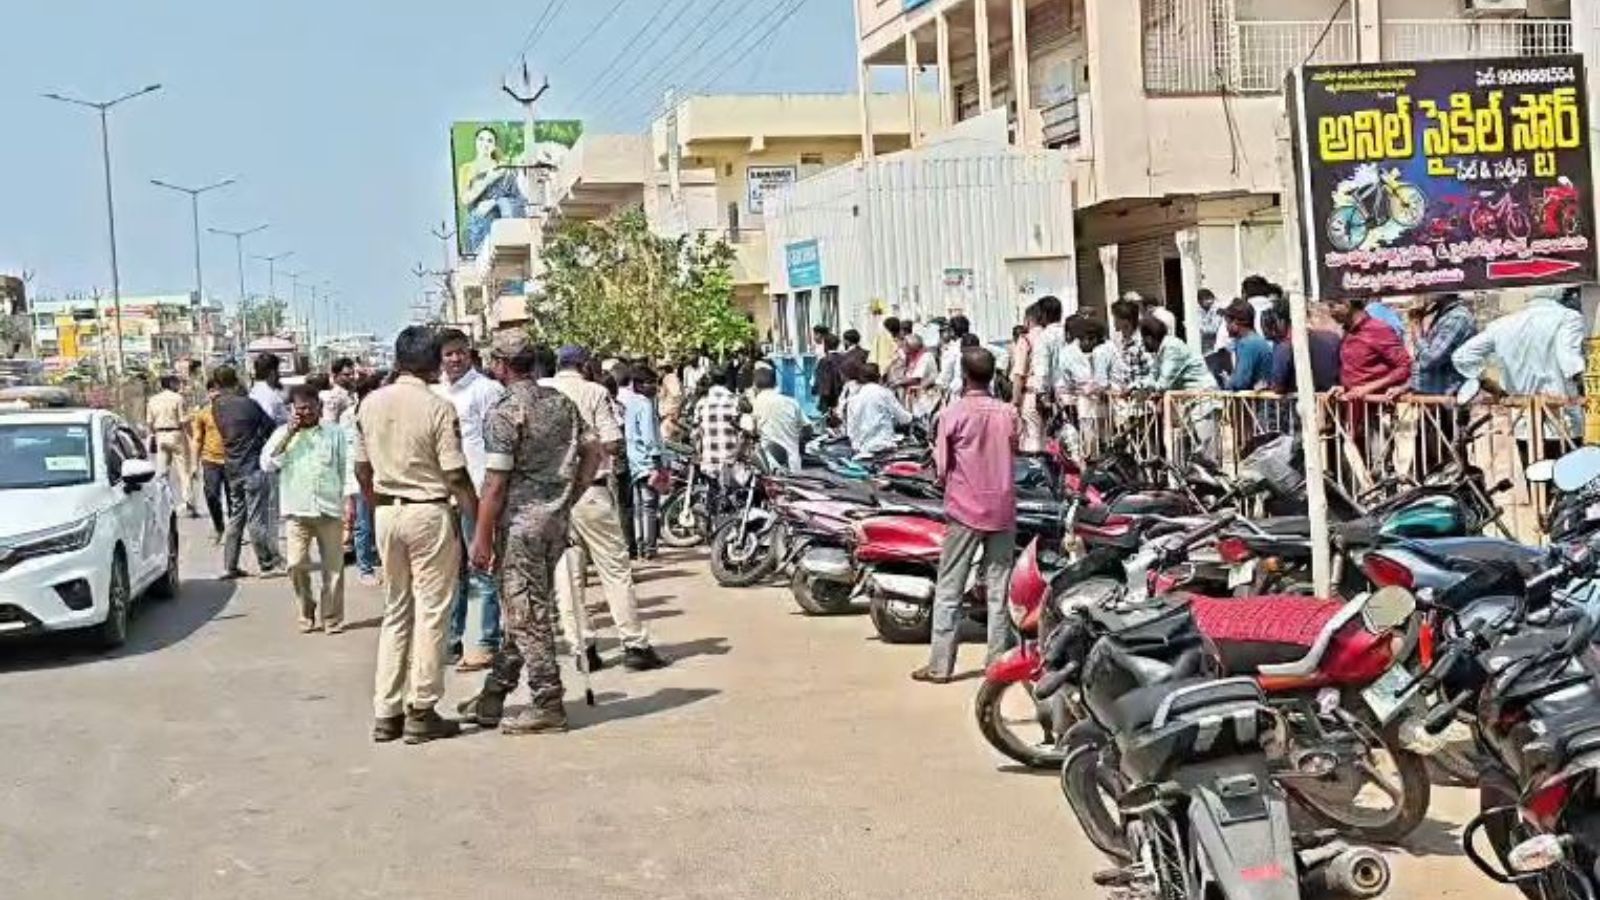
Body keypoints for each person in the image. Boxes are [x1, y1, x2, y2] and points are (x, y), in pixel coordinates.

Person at [460, 332, 602, 735]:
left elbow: (495, 483)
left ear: (500, 365)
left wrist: (481, 536)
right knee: (525, 608)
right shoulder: (560, 402)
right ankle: (494, 693)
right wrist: (570, 494)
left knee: (526, 615)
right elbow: (594, 451)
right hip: (554, 521)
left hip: (520, 526)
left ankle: (547, 701)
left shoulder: (505, 412)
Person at [354, 326, 480, 745]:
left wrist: (377, 507)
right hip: (428, 510)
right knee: (432, 610)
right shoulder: (438, 407)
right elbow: (456, 474)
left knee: (396, 610)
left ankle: (386, 710)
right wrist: (477, 522)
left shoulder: (370, 403)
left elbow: (361, 469)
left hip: (387, 512)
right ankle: (422, 708)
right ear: (433, 364)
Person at [544, 346, 668, 672]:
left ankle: (582, 648)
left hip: (553, 496)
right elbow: (612, 442)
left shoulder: (543, 391)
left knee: (568, 575)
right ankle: (634, 644)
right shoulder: (594, 392)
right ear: (585, 366)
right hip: (591, 490)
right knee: (614, 569)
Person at [912, 348, 1019, 684]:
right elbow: (1014, 450)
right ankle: (997, 664)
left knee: (950, 588)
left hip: (964, 509)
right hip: (1002, 509)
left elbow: (942, 468)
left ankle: (940, 666)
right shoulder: (1008, 413)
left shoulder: (951, 413)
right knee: (999, 590)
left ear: (964, 375)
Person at [433, 328, 506, 672]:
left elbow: (499, 444)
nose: (455, 359)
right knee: (450, 571)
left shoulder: (487, 390)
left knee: (480, 567)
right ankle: (454, 637)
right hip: (440, 495)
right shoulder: (434, 393)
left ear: (470, 353)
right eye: (448, 353)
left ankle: (484, 640)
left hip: (476, 492)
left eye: (460, 352)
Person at [1453, 285, 1585, 466]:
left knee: (1534, 476)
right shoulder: (1568, 318)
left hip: (1523, 421)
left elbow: (1462, 356)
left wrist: (1488, 382)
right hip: (1563, 420)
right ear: (1560, 292)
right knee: (1569, 477)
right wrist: (1587, 391)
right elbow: (1570, 363)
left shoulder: (1503, 324)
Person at [261, 385, 354, 634]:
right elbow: (268, 464)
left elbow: (345, 468)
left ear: (319, 407)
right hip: (297, 510)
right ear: (292, 409)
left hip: (329, 509)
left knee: (333, 568)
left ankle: (331, 617)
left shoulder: (334, 433)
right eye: (301, 409)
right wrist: (289, 435)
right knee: (295, 564)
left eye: (311, 408)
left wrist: (348, 502)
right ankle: (306, 607)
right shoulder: (282, 433)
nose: (307, 413)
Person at [212, 366, 285, 580]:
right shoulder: (249, 404)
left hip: (232, 468)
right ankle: (266, 564)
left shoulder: (217, 406)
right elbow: (271, 427)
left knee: (236, 517)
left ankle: (230, 565)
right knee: (256, 518)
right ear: (236, 381)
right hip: (252, 466)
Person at [1329, 296, 1413, 469]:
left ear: (1347, 303)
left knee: (1379, 467)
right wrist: (1343, 387)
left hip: (1376, 412)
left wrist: (1368, 388)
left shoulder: (1378, 330)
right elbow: (1355, 369)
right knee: (1360, 466)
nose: (1330, 312)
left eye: (1332, 306)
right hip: (1354, 413)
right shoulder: (1347, 332)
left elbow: (1405, 366)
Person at [1136, 315, 1221, 460]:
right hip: (1190, 402)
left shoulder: (1172, 348)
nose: (1142, 344)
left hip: (1204, 400)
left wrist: (1147, 390)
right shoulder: (1161, 350)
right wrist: (1136, 386)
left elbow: (1164, 383)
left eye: (1142, 339)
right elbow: (1153, 375)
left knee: (1207, 453)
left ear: (1149, 338)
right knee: (1186, 452)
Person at [458, 125, 526, 255]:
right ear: (476, 142)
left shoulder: (503, 168)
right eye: (481, 139)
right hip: (476, 225)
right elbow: (465, 199)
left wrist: (495, 202)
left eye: (489, 141)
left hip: (500, 223)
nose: (485, 144)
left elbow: (518, 198)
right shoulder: (466, 168)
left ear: (494, 146)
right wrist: (487, 180)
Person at [619, 364, 664, 560]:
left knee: (638, 506)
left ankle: (639, 544)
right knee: (649, 505)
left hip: (633, 459)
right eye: (650, 383)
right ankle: (649, 547)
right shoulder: (645, 404)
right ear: (638, 384)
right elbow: (649, 436)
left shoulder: (630, 403)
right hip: (646, 460)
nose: (654, 387)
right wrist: (657, 462)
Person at [344, 371, 383, 586]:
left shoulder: (384, 411)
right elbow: (348, 451)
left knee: (382, 522)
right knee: (363, 524)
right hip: (361, 476)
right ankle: (365, 567)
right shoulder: (349, 416)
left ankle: (383, 561)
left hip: (384, 474)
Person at [146, 374, 195, 517]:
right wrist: (191, 434)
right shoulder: (178, 398)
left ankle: (165, 503)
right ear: (171, 384)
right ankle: (188, 501)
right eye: (176, 383)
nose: (178, 385)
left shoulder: (152, 400)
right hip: (176, 434)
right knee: (184, 470)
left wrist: (153, 435)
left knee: (162, 472)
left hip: (160, 435)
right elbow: (183, 420)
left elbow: (149, 422)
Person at [190, 377, 228, 543]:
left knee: (233, 498)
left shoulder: (232, 412)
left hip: (231, 460)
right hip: (210, 460)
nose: (215, 394)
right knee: (211, 495)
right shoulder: (203, 414)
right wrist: (194, 464)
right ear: (208, 393)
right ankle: (219, 526)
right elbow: (197, 439)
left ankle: (235, 530)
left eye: (218, 390)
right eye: (212, 390)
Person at [845, 363, 911, 456]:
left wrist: (856, 445)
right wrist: (913, 418)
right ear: (879, 377)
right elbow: (904, 418)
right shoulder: (884, 393)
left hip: (862, 449)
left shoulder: (854, 397)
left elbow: (851, 429)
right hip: (884, 445)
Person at [751, 367, 805, 472]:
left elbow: (754, 430)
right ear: (776, 383)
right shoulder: (792, 402)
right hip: (793, 463)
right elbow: (807, 429)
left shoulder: (757, 402)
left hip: (769, 464)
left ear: (755, 385)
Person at [1223, 299, 1273, 391]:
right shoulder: (1253, 340)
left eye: (1227, 322)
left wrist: (1228, 382)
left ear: (1235, 323)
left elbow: (1240, 382)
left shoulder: (1248, 344)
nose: (1226, 327)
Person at [898, 334, 939, 416]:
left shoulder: (925, 357)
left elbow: (916, 379)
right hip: (913, 396)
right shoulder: (911, 356)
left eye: (905, 346)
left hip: (924, 397)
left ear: (912, 347)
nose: (903, 349)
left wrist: (896, 383)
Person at [940, 315, 972, 398]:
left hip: (958, 392)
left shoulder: (952, 349)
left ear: (952, 331)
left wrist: (941, 386)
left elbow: (946, 375)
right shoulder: (977, 343)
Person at [812, 333, 844, 416]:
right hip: (842, 394)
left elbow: (819, 378)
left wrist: (815, 390)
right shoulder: (844, 358)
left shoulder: (823, 361)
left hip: (827, 397)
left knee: (827, 418)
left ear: (825, 345)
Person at [322, 357, 357, 425]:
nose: (351, 377)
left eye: (353, 373)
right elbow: (330, 424)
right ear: (335, 376)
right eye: (346, 375)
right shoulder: (334, 397)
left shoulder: (351, 393)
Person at [1196, 288, 1224, 356]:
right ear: (1199, 301)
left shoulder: (1218, 310)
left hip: (1215, 344)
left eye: (1210, 298)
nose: (1210, 301)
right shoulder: (1197, 311)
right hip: (1202, 345)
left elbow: (1213, 329)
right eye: (1206, 299)